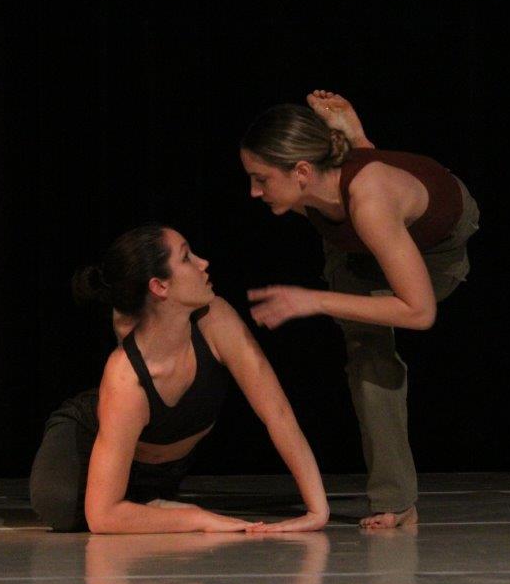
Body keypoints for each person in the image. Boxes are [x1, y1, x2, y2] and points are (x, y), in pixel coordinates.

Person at [240, 90, 480, 529]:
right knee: (366, 353)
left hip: (440, 246)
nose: (253, 192)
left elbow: (420, 312)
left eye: (261, 179)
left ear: (301, 171)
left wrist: (312, 300)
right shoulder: (309, 190)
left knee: (370, 246)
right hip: (359, 233)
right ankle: (397, 502)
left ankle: (360, 144)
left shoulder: (369, 202)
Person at [29, 224, 330, 533]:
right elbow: (102, 517)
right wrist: (199, 518)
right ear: (160, 286)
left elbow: (277, 412)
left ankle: (144, 504)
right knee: (61, 506)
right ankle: (141, 505)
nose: (203, 263)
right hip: (91, 438)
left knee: (134, 512)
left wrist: (317, 510)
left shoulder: (216, 320)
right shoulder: (126, 376)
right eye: (187, 258)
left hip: (162, 471)